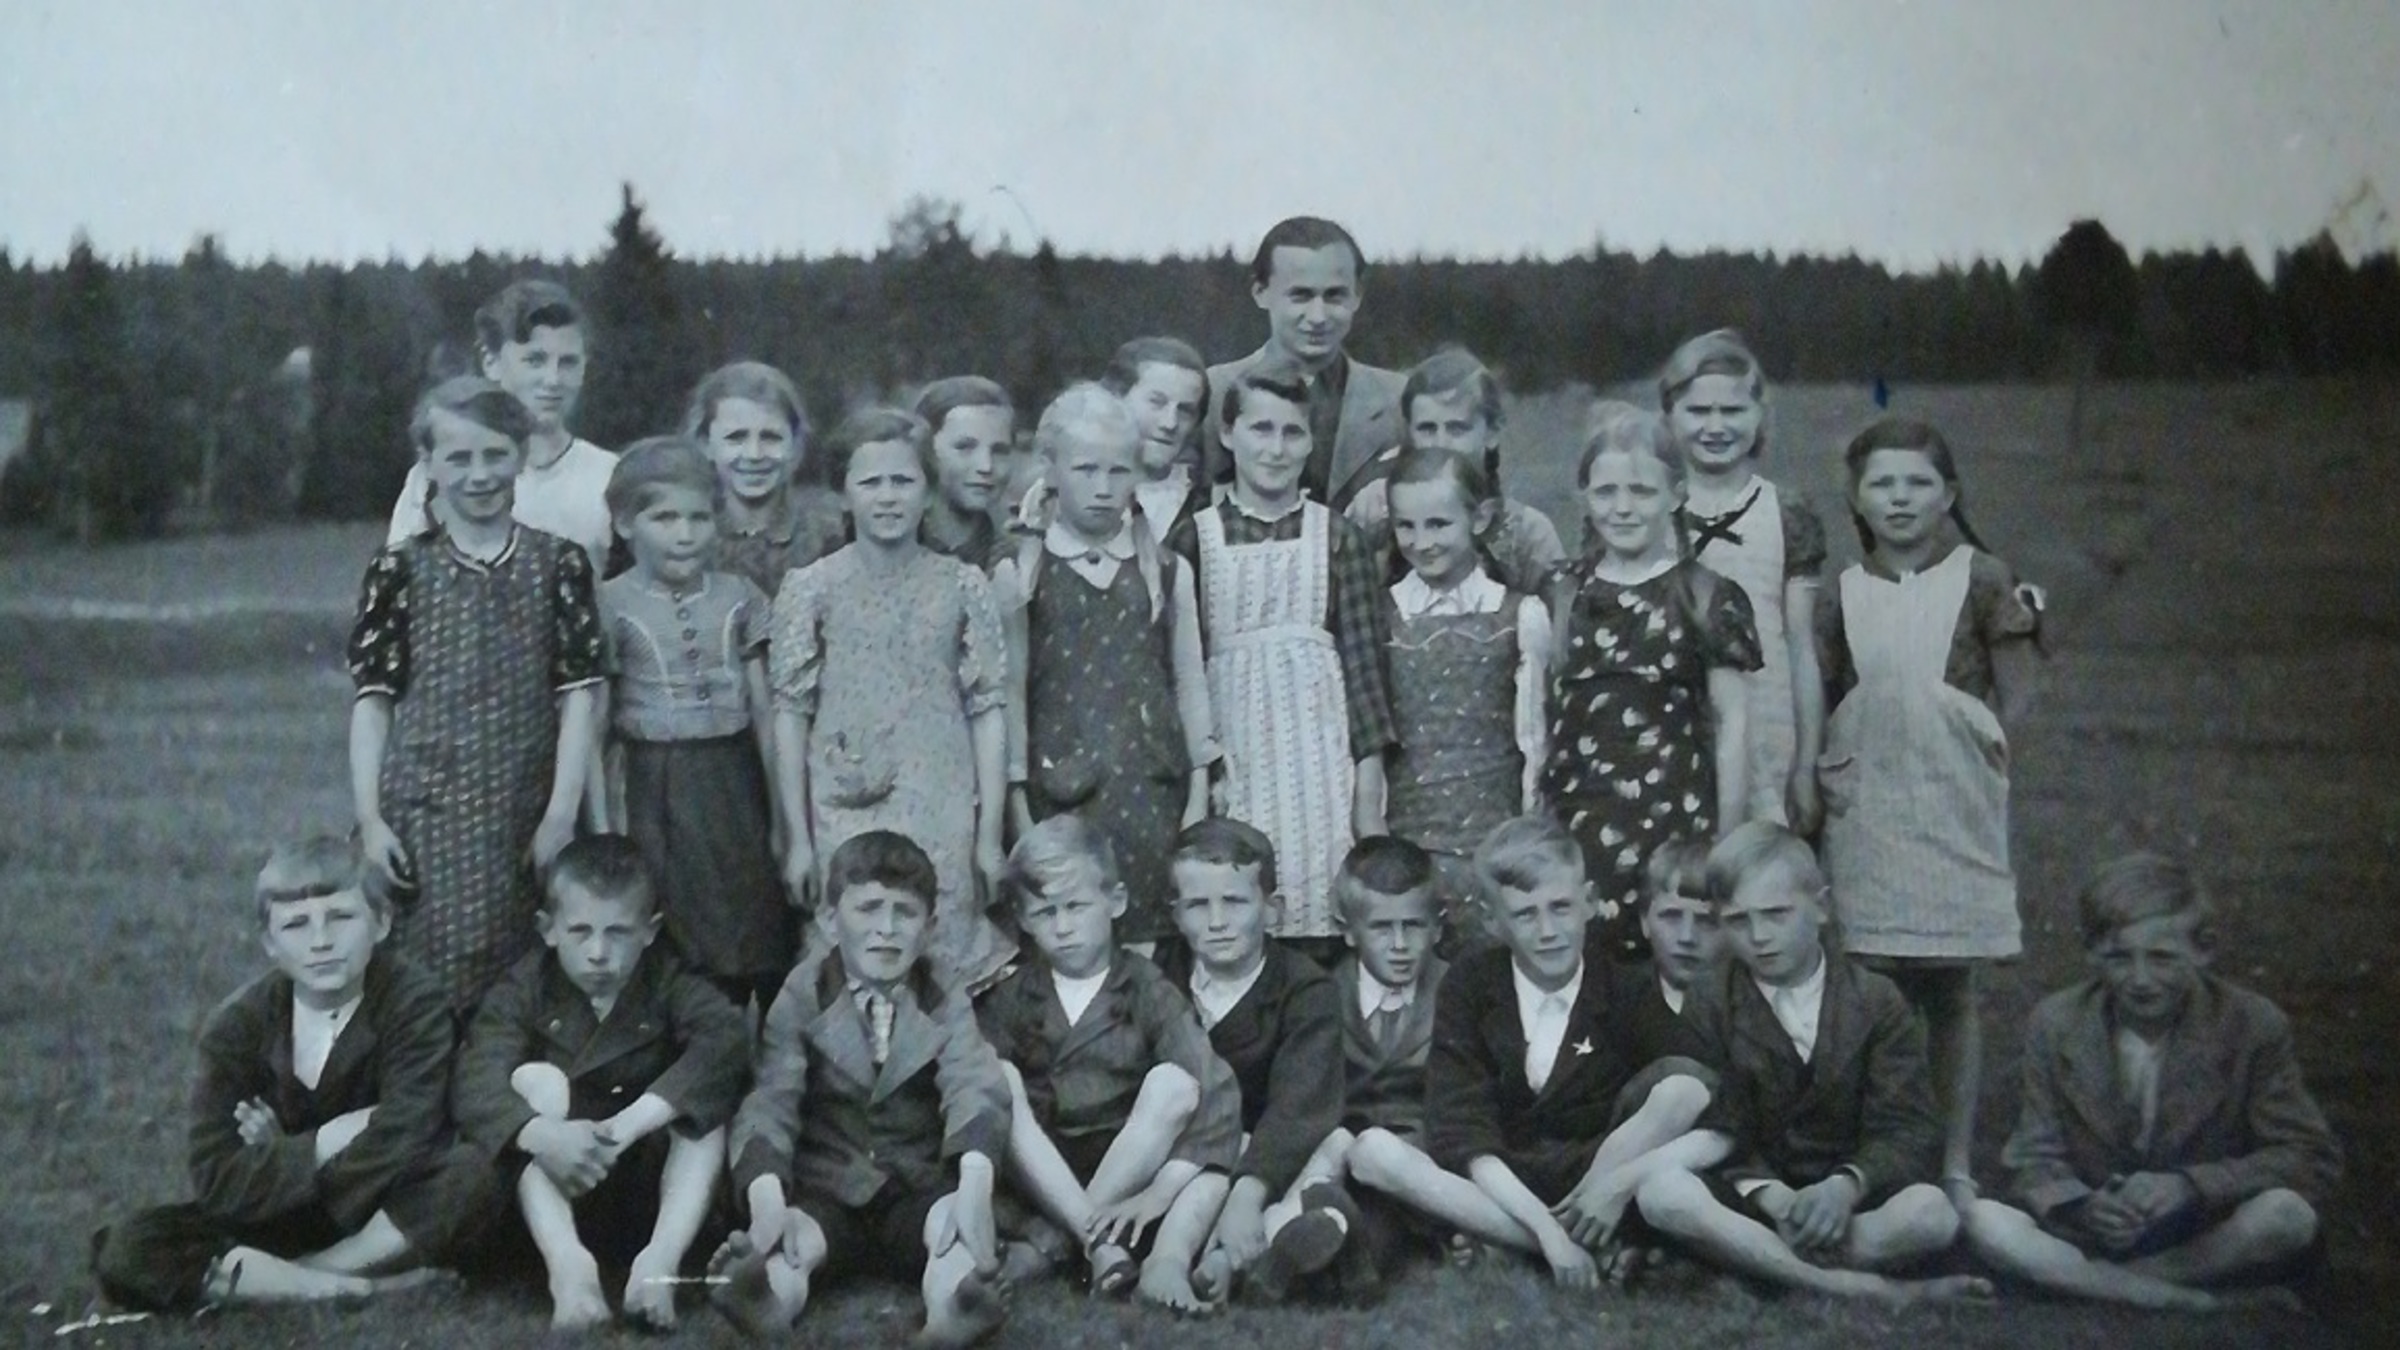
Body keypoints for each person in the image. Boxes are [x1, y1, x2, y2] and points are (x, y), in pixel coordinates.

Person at [92, 837, 491, 1311]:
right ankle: (351, 1288)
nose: (321, 941)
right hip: (277, 1215)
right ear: (269, 942)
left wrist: (278, 1156)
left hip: (383, 1211)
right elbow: (217, 1178)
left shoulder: (414, 1004)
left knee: (473, 1171)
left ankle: (299, 1276)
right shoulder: (237, 1026)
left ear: (381, 922)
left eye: (341, 918)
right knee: (128, 1245)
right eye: (296, 925)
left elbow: (407, 1137)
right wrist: (322, 1142)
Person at [1815, 414, 2042, 1191]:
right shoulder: (1842, 592)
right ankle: (1875, 1157)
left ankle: (1951, 1164)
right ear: (1856, 496)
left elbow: (2018, 694)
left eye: (1918, 482)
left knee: (1949, 985)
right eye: (1882, 483)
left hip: (1952, 800)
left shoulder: (1985, 579)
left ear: (1949, 494)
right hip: (1870, 804)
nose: (1900, 498)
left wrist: (1981, 751)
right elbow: (1829, 692)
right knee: (1872, 982)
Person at [1961, 854, 2341, 1310]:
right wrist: (2082, 1205)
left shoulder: (2252, 1024)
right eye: (2120, 958)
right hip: (2095, 1232)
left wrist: (2190, 1186)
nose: (2141, 980)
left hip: (2199, 1231)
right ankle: (2195, 1302)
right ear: (2091, 952)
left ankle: (2105, 1285)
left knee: (2287, 1215)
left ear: (2203, 951)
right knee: (1984, 1219)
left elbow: (2308, 1156)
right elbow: (2032, 1156)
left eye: (2162, 958)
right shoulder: (2057, 1022)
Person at [1633, 822, 1988, 1304]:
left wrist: (1846, 1185)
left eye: (1776, 915)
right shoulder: (1711, 999)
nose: (1759, 936)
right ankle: (1861, 1286)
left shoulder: (1876, 999)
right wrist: (1775, 1198)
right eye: (1737, 921)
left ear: (1821, 907)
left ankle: (1758, 1263)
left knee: (1931, 1213)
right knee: (1662, 1193)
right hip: (1755, 1199)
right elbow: (1718, 1124)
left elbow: (1907, 1127)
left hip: (1851, 1203)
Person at [349, 375, 606, 1011]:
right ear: (429, 464)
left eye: (495, 454)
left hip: (525, 805)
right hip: (424, 810)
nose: (479, 474)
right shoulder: (399, 569)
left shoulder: (560, 565)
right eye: (459, 458)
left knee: (526, 980)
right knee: (423, 981)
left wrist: (560, 814)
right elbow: (373, 703)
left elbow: (579, 697)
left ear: (521, 455)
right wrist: (372, 821)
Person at [707, 831, 1014, 1348]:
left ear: (929, 928)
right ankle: (767, 1301)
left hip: (914, 1186)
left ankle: (952, 1313)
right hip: (828, 1187)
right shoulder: (805, 991)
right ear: (831, 921)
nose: (886, 930)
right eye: (868, 909)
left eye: (905, 913)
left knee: (951, 1229)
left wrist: (975, 1185)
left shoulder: (942, 993)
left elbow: (972, 1083)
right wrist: (766, 1197)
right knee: (793, 1238)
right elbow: (772, 1100)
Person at [452, 835, 748, 1332]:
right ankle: (569, 1270)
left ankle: (657, 1266)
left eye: (618, 933)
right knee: (536, 1081)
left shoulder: (667, 980)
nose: (598, 953)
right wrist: (540, 1134)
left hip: (643, 1185)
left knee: (704, 1109)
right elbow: (476, 1075)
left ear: (650, 932)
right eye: (580, 932)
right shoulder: (525, 987)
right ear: (548, 930)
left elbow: (727, 1040)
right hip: (554, 1187)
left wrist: (626, 1126)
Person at [767, 407, 1013, 993]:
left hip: (941, 803)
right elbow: (791, 715)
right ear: (843, 493)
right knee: (858, 935)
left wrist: (988, 834)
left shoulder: (962, 584)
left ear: (928, 491)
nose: (887, 497)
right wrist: (798, 838)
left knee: (938, 942)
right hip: (845, 804)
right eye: (870, 482)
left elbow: (987, 709)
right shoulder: (811, 588)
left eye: (903, 481)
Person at [1424, 817, 1722, 1291]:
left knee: (1683, 1086)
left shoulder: (1625, 988)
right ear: (1493, 921)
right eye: (1525, 915)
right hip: (1505, 1180)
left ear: (1589, 902)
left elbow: (1711, 1097)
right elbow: (1461, 1128)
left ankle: (1509, 1240)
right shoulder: (1469, 985)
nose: (1548, 931)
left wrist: (1616, 1184)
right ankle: (1560, 1244)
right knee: (1376, 1153)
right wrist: (1548, 1233)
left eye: (1561, 907)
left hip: (1594, 1179)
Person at [1166, 363, 1398, 953]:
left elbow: (1366, 675)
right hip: (1235, 754)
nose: (1276, 448)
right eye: (1260, 429)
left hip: (1321, 760)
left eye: (1292, 432)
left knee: (1323, 907)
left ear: (1312, 440)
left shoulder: (1338, 537)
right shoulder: (1194, 539)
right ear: (1227, 434)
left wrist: (1367, 803)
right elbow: (1178, 672)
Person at [973, 815, 1241, 1302]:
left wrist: (1161, 1190)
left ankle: (1065, 1241)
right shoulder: (1013, 994)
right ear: (1024, 920)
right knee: (994, 1077)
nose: (1063, 927)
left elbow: (1214, 1089)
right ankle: (1096, 1242)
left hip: (1124, 1165)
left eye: (1076, 906)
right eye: (1045, 913)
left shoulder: (1145, 986)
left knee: (1176, 1083)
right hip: (1040, 1171)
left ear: (1115, 902)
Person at [994, 385, 1217, 948]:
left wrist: (1198, 791)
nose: (1102, 487)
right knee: (1070, 932)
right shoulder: (1021, 570)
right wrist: (1018, 803)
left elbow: (1188, 680)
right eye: (1085, 470)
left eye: (1118, 472)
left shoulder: (1165, 569)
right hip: (1059, 790)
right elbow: (1009, 689)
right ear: (1051, 469)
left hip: (1152, 792)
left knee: (1151, 939)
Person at [1543, 411, 1758, 960]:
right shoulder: (1563, 593)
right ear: (1585, 496)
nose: (1623, 507)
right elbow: (1543, 716)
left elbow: (1732, 724)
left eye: (1641, 491)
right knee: (1589, 965)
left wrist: (1726, 840)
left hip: (1674, 822)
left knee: (1669, 964)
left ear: (1676, 494)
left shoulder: (1705, 596)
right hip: (1578, 821)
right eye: (1606, 492)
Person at [594, 438, 791, 1013]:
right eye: (665, 519)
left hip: (735, 780)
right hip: (655, 784)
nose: (685, 534)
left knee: (753, 911)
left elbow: (765, 712)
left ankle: (762, 1035)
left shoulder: (738, 596)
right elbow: (596, 727)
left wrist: (784, 818)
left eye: (699, 518)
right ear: (625, 524)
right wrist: (604, 828)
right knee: (674, 917)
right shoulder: (608, 603)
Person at [1147, 819, 1355, 1309]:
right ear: (1175, 914)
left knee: (1335, 1145)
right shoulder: (1160, 976)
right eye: (1198, 905)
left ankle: (1228, 1259)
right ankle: (1183, 1260)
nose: (1217, 921)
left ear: (1271, 909)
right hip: (1187, 1157)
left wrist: (1248, 1193)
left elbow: (1299, 1106)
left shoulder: (1306, 988)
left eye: (1235, 902)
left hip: (1270, 1157)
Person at [1377, 446, 1551, 943]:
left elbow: (1535, 738)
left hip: (1492, 836)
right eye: (1406, 526)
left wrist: (1529, 829)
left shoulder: (1520, 614)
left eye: (1438, 524)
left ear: (1480, 518)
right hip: (1408, 834)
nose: (1422, 542)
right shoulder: (1381, 615)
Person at [1658, 330, 1828, 829]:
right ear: (1669, 415)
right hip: (1670, 723)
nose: (1715, 426)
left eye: (1732, 411)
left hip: (1766, 722)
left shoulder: (1785, 511)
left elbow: (1800, 645)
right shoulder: (1648, 509)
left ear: (1759, 416)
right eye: (1698, 411)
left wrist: (1805, 764)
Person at [386, 279, 617, 570]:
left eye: (568, 363)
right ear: (491, 362)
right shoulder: (441, 476)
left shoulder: (612, 478)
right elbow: (399, 581)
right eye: (535, 360)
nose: (553, 380)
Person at [1202, 216, 1405, 514]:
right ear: (1260, 293)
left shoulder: (1400, 400)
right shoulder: (1213, 393)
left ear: (1357, 296)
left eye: (1334, 296)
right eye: (1300, 296)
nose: (1318, 316)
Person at [1351, 348, 1567, 592]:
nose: (1441, 444)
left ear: (1492, 432)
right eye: (1427, 429)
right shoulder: (1377, 513)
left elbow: (1560, 612)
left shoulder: (1529, 534)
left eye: (1457, 429)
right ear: (1409, 432)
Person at [681, 360, 845, 598]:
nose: (754, 454)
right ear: (706, 443)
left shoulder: (830, 534)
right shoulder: (685, 537)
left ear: (795, 444)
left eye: (771, 437)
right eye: (736, 438)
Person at [1104, 336, 1212, 536]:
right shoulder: (1066, 494)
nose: (1170, 423)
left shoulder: (1206, 509)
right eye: (1157, 402)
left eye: (1185, 411)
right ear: (1116, 398)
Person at [912, 376, 1017, 573]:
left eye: (999, 451)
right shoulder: (887, 550)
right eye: (965, 447)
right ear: (926, 452)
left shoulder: (1025, 563)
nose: (986, 466)